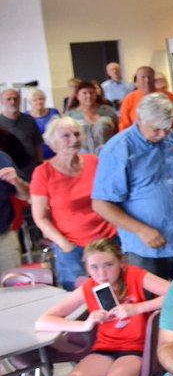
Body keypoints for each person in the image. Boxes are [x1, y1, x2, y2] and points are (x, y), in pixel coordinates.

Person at [34, 237, 171, 376]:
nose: (102, 273)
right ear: (86, 268)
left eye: (108, 265)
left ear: (121, 262)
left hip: (135, 350)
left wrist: (138, 308)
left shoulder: (134, 275)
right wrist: (84, 325)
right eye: (94, 267)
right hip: (104, 349)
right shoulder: (89, 287)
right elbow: (42, 322)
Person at [92, 93, 173, 279]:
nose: (163, 134)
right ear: (139, 119)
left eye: (167, 128)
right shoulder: (118, 149)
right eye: (156, 129)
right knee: (149, 297)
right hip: (146, 250)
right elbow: (101, 204)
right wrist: (141, 230)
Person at [29, 116, 118, 290]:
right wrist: (64, 245)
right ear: (53, 143)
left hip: (108, 241)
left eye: (77, 134)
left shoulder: (94, 161)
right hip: (73, 247)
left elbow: (111, 198)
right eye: (66, 136)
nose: (74, 139)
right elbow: (40, 217)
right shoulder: (43, 173)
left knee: (116, 293)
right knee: (79, 297)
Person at [117, 66, 173, 135]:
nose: (147, 80)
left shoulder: (168, 96)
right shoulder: (129, 100)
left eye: (149, 77)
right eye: (143, 77)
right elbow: (124, 126)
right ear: (137, 80)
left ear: (154, 79)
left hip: (166, 138)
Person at [66, 80, 119, 154]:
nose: (89, 96)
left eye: (91, 93)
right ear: (77, 96)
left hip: (107, 153)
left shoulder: (108, 111)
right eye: (85, 93)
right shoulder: (71, 115)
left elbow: (117, 132)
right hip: (82, 156)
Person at [0, 88, 41, 177]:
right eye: (8, 99)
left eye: (15, 99)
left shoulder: (29, 120)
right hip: (7, 172)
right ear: (2, 102)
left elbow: (37, 144)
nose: (12, 102)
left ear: (20, 101)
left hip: (30, 169)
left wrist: (39, 163)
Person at [0, 148, 29, 270]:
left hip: (4, 238)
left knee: (12, 280)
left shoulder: (1, 158)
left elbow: (26, 195)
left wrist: (17, 182)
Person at [25, 88, 60, 159]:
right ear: (30, 102)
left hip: (56, 151)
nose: (38, 102)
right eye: (35, 100)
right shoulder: (26, 116)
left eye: (41, 99)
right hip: (36, 153)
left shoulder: (54, 112)